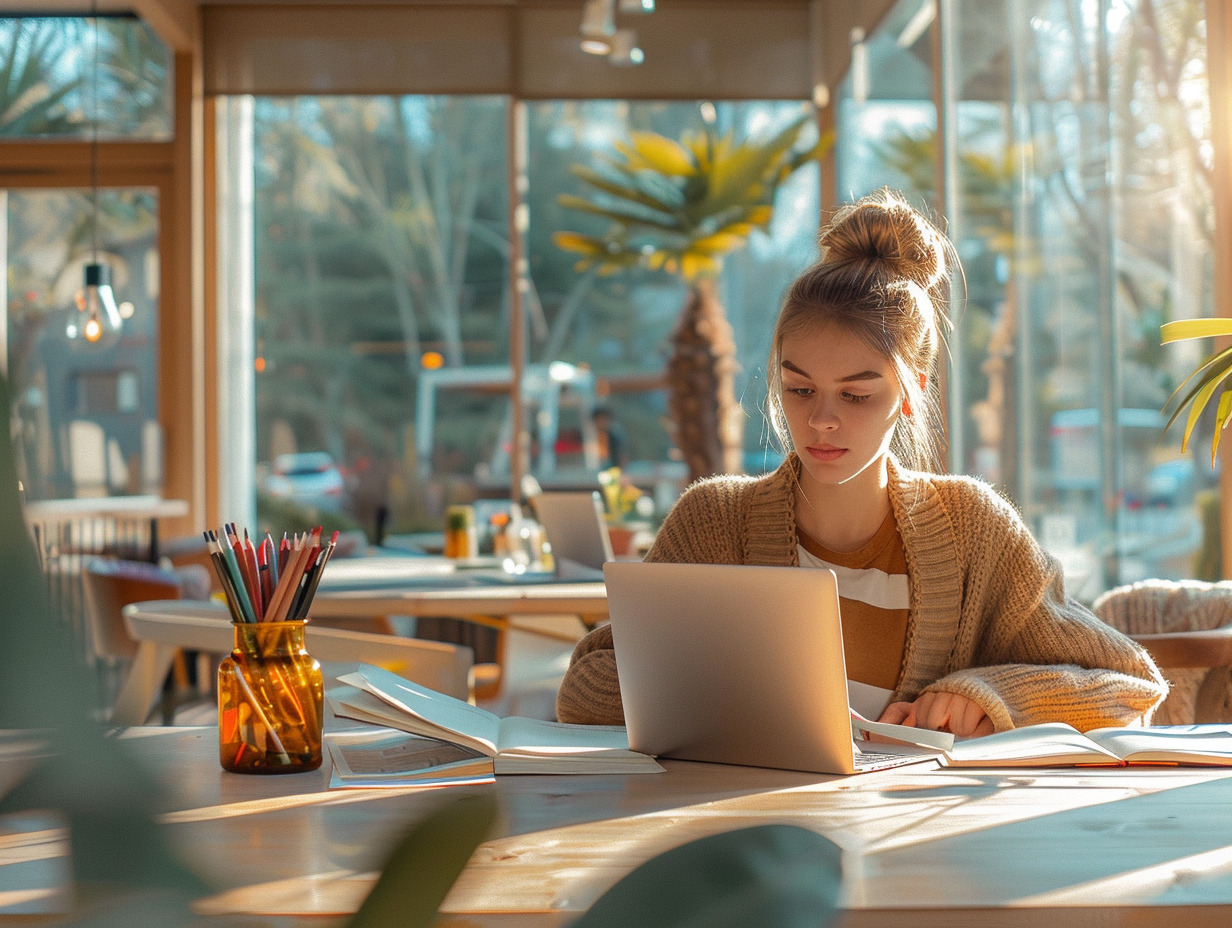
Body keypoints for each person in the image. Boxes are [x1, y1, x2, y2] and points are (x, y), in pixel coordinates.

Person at [555, 188, 1167, 736]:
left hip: (916, 846)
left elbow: (1132, 688)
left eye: (856, 394)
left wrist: (989, 694)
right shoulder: (714, 521)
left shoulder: (976, 531)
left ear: (911, 391)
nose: (822, 419)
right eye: (799, 389)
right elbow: (584, 689)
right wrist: (734, 694)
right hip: (746, 840)